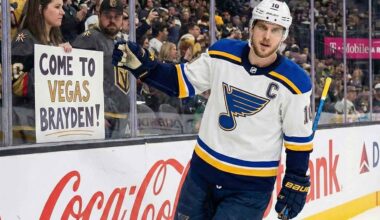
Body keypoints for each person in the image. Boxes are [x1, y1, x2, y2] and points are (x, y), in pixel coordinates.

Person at [113, 0, 313, 219]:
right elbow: (180, 82)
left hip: (249, 189)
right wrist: (146, 68)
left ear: (283, 35)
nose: (267, 36)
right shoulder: (223, 54)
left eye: (275, 30)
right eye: (262, 27)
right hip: (201, 176)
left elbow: (298, 141)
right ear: (252, 27)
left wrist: (296, 180)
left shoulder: (295, 83)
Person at [12, 0, 72, 144]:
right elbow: (15, 84)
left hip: (51, 123)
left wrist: (67, 57)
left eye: (62, 7)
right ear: (40, 9)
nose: (62, 12)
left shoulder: (56, 39)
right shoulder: (25, 39)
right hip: (27, 124)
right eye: (57, 7)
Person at [72, 0, 131, 139]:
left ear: (122, 19)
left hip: (120, 117)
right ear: (99, 15)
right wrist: (91, 115)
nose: (112, 20)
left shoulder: (119, 42)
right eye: (107, 16)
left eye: (116, 17)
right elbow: (75, 81)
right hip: (102, 119)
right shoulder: (89, 39)